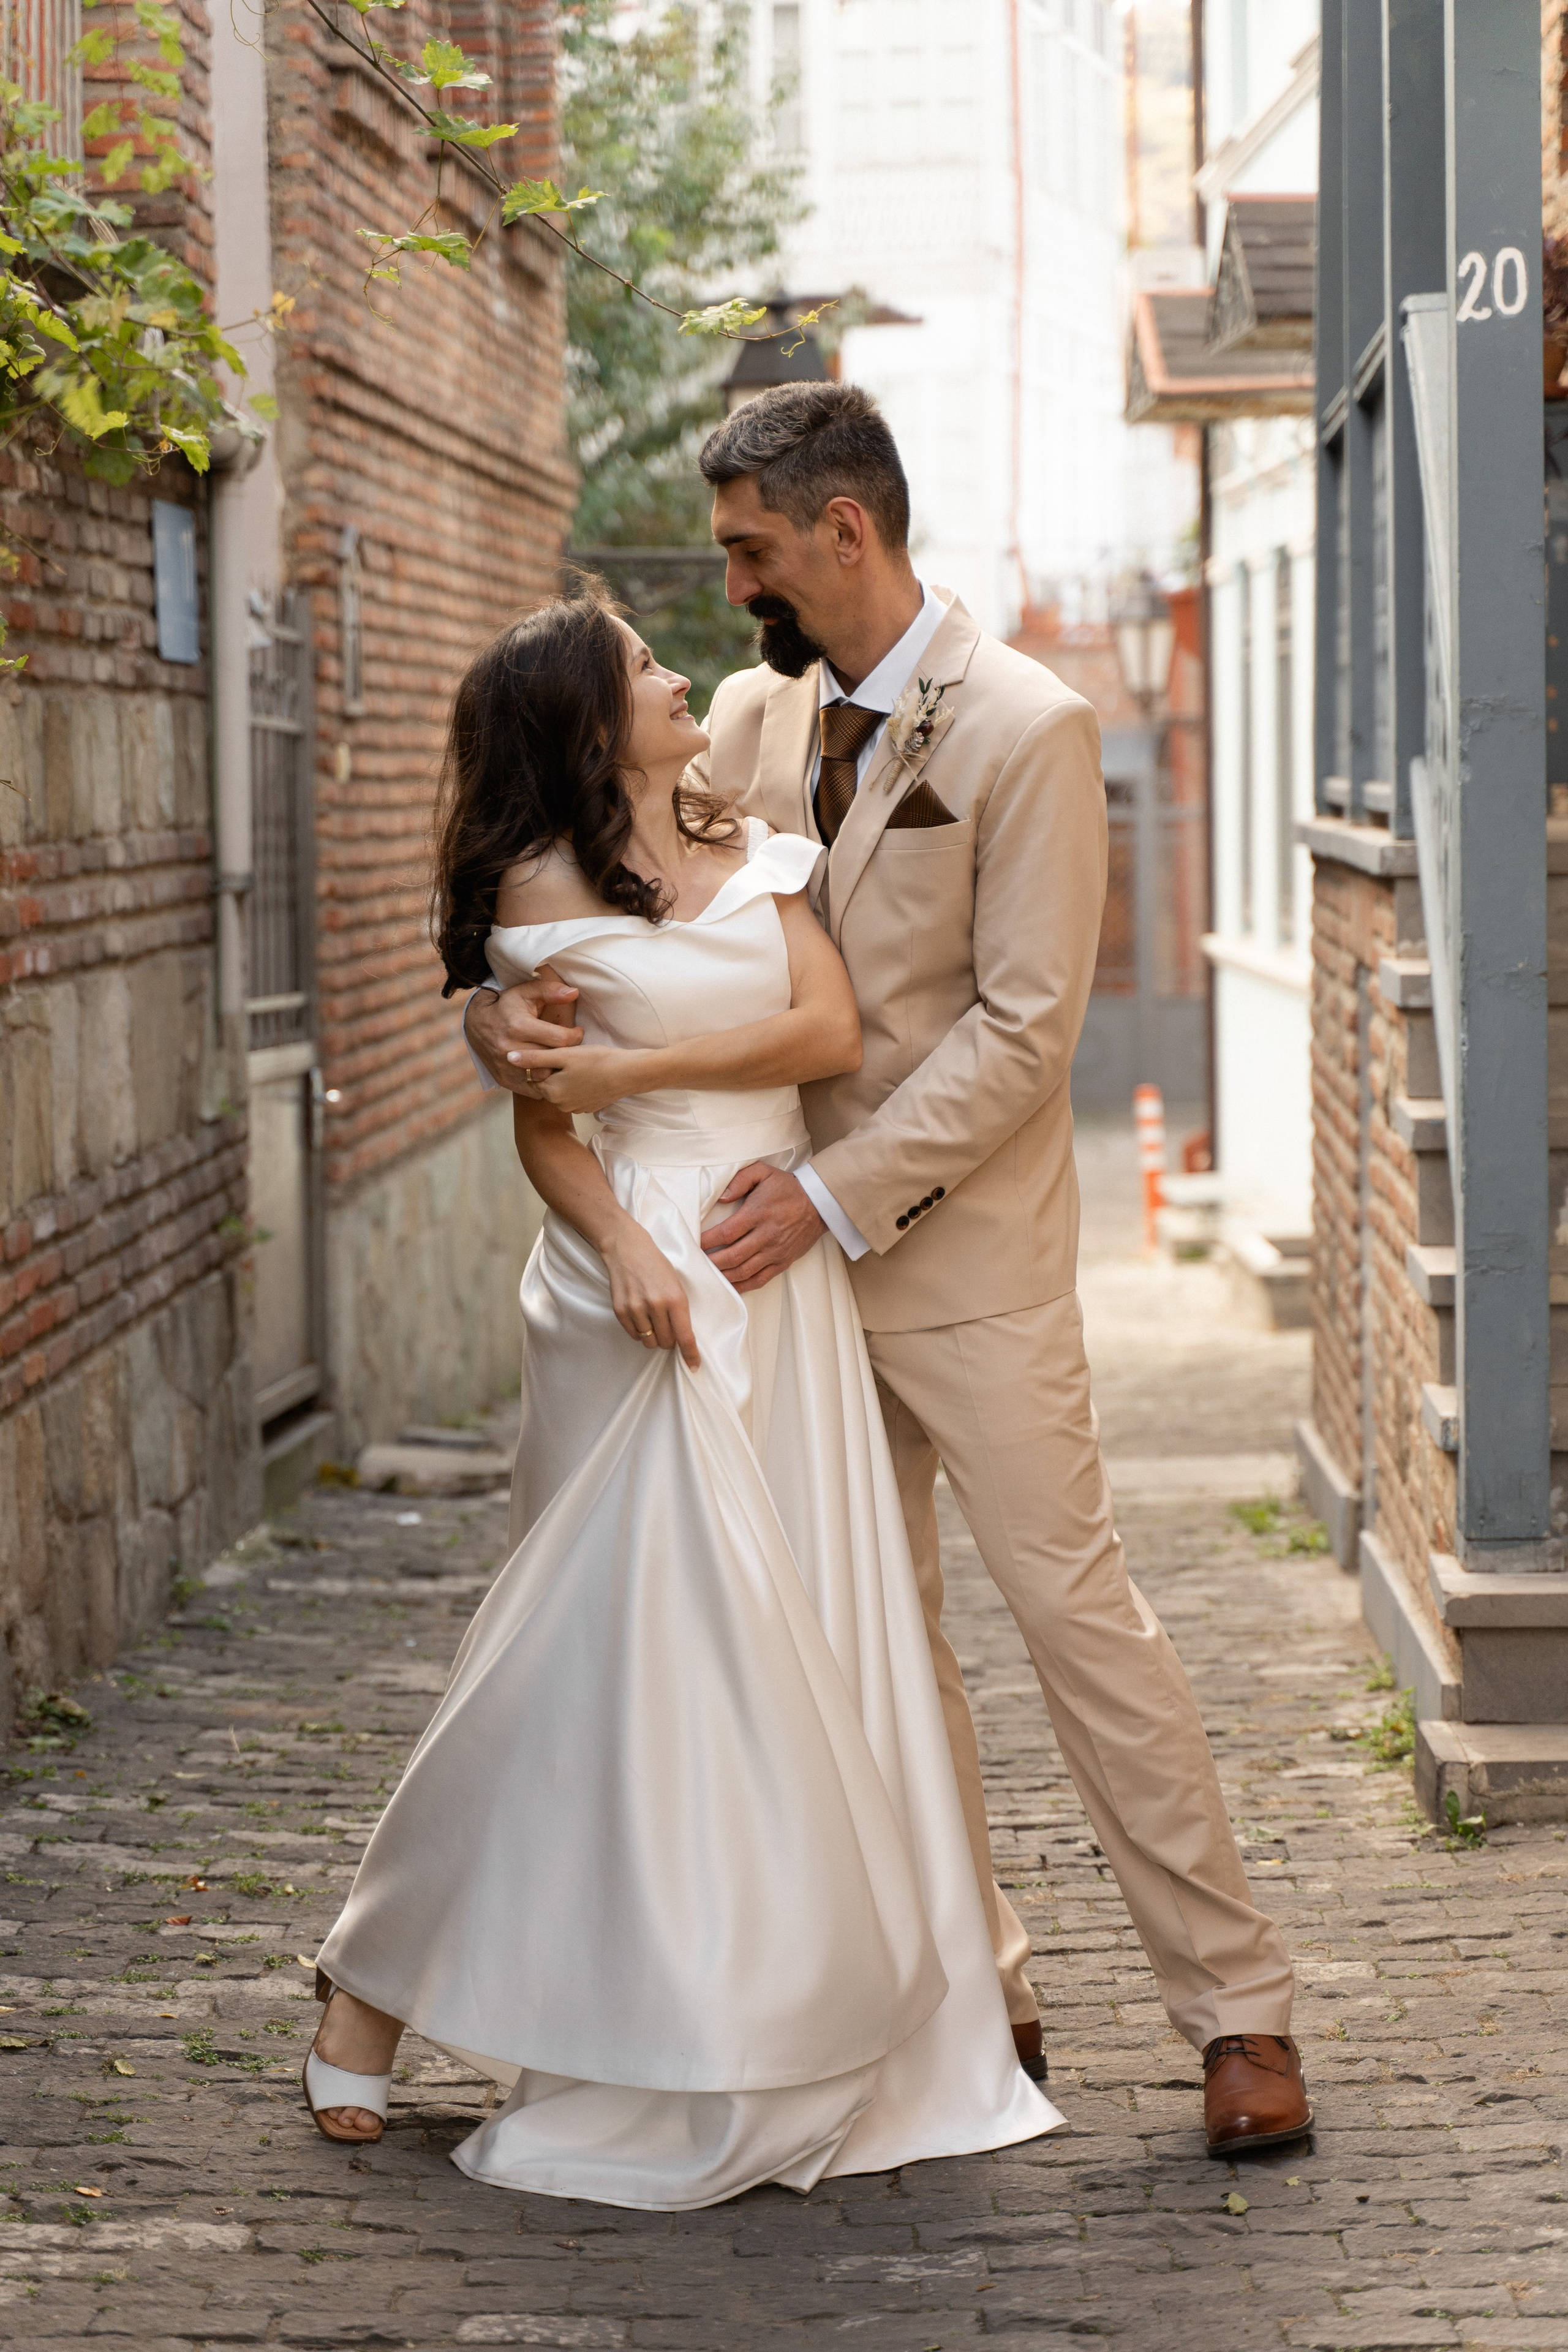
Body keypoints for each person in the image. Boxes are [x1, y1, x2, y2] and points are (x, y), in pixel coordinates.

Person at [466, 383, 1313, 2158]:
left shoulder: (1031, 723)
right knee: (875, 1652)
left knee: (1081, 1628)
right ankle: (970, 1988)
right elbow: (619, 892)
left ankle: (1237, 2012)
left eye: (751, 549)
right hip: (772, 1286)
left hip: (960, 1267)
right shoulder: (751, 724)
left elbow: (1025, 1032)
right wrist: (501, 1008)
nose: (735, 585)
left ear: (842, 529)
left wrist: (835, 1194)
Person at [301, 587, 1063, 2208]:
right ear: (589, 726)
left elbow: (824, 1026)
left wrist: (630, 1071)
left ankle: (768, 2006)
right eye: (643, 669)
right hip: (635, 1280)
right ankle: (381, 1981)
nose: (676, 679)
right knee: (607, 1649)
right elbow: (544, 1134)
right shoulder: (533, 891)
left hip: (778, 1269)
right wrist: (629, 1249)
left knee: (782, 1658)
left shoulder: (756, 847)